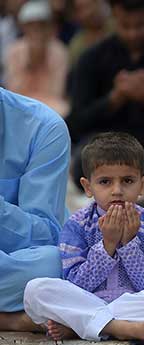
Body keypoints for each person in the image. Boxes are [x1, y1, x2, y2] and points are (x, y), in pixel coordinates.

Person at [22, 133, 144, 342]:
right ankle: (118, 327)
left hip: (134, 305)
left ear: (142, 184)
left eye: (127, 180)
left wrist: (129, 245)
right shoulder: (77, 226)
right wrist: (107, 245)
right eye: (105, 182)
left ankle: (82, 325)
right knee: (36, 290)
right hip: (89, 299)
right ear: (88, 187)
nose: (117, 190)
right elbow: (77, 285)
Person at [67, 0, 144, 186]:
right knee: (84, 163)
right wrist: (114, 98)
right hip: (105, 142)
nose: (132, 33)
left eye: (140, 25)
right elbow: (75, 123)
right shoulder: (91, 58)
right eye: (125, 26)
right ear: (114, 17)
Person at [0, 87, 70, 331]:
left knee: (55, 264)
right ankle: (7, 320)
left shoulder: (44, 128)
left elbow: (47, 233)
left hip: (14, 260)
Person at [4, 0, 69, 116]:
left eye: (41, 24)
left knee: (63, 108)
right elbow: (14, 91)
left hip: (51, 104)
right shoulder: (14, 51)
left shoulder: (59, 50)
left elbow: (57, 92)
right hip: (21, 103)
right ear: (23, 27)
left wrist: (42, 58)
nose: (36, 29)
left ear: (49, 26)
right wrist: (30, 62)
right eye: (31, 24)